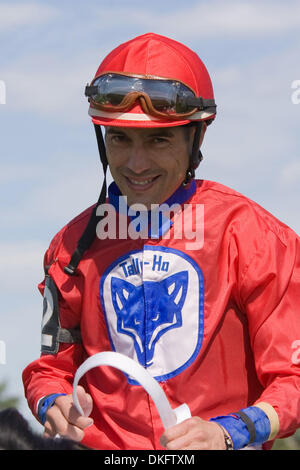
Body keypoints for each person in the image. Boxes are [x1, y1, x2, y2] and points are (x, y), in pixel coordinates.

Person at [22, 32, 300, 451]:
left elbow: (293, 379)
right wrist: (52, 402)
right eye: (120, 138)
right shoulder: (70, 248)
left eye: (158, 140)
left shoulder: (255, 237)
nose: (136, 164)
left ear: (196, 138)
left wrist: (229, 432)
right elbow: (49, 369)